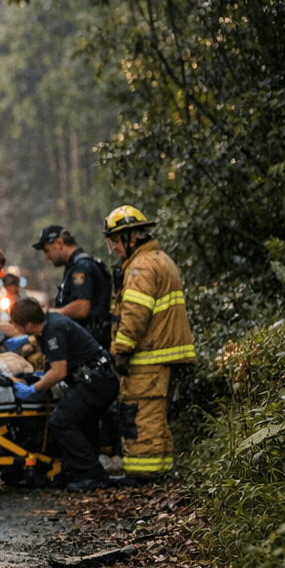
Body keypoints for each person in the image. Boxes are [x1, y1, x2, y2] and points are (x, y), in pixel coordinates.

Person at [104, 206, 194, 484]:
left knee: (141, 416)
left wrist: (122, 350)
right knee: (156, 416)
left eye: (116, 241)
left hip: (148, 357)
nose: (115, 248)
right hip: (161, 355)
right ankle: (159, 471)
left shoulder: (141, 266)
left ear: (131, 237)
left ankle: (145, 475)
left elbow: (135, 313)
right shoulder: (159, 259)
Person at [7, 297, 119, 492]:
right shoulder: (47, 325)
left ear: (28, 324)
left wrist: (32, 389)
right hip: (98, 379)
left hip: (96, 381)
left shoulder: (53, 330)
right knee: (84, 422)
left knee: (61, 420)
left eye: (16, 325)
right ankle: (90, 475)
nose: (14, 328)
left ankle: (92, 475)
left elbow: (59, 372)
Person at [32, 225, 114, 348]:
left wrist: (50, 314)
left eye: (47, 250)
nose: (47, 257)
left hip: (92, 343)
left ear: (59, 243)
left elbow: (81, 308)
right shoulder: (75, 266)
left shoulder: (81, 267)